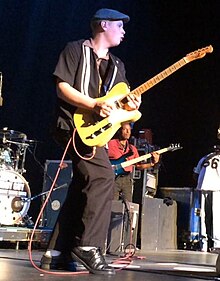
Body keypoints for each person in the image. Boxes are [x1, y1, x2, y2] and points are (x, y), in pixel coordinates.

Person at [40, 8, 142, 275]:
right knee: (102, 177)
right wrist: (93, 104)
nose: (123, 31)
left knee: (82, 184)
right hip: (72, 126)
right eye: (119, 26)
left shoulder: (117, 65)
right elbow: (62, 86)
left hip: (97, 133)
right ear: (103, 25)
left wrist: (133, 103)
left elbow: (123, 102)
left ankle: (56, 252)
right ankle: (88, 245)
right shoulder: (75, 50)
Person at [108, 122, 160, 202]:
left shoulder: (132, 149)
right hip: (112, 178)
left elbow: (138, 166)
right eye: (125, 129)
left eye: (129, 130)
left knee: (128, 205)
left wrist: (152, 163)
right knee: (112, 204)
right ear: (119, 131)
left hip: (127, 179)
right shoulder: (111, 144)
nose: (128, 132)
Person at [193, 145, 220, 252]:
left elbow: (195, 174)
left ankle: (204, 244)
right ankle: (215, 243)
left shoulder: (205, 157)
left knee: (204, 216)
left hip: (204, 187)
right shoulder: (207, 158)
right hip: (215, 188)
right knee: (214, 217)